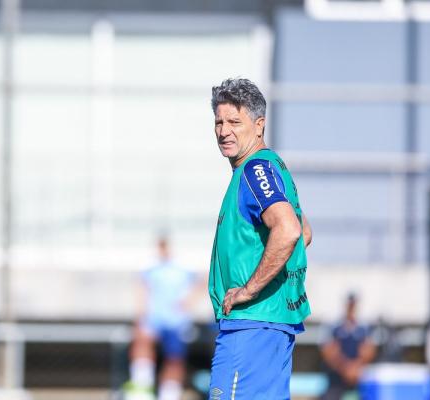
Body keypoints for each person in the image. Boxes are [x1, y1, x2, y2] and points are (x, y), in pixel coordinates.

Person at [207, 78, 313, 399]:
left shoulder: (256, 170)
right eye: (219, 121)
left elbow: (290, 230)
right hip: (270, 327)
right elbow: (304, 230)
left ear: (259, 125)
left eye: (234, 122)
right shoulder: (269, 167)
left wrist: (249, 289)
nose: (224, 130)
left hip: (251, 327)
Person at [125, 236, 199, 400]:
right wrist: (140, 316)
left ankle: (169, 394)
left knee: (174, 358)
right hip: (154, 319)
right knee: (142, 346)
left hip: (176, 322)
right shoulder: (150, 267)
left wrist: (189, 301)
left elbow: (202, 282)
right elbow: (142, 289)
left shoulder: (183, 267)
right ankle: (141, 389)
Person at [320, 293, 376, 400]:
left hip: (358, 379)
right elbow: (328, 351)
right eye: (350, 304)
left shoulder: (364, 327)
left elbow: (368, 350)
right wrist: (345, 368)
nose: (351, 307)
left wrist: (356, 368)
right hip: (336, 380)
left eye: (353, 304)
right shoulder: (334, 326)